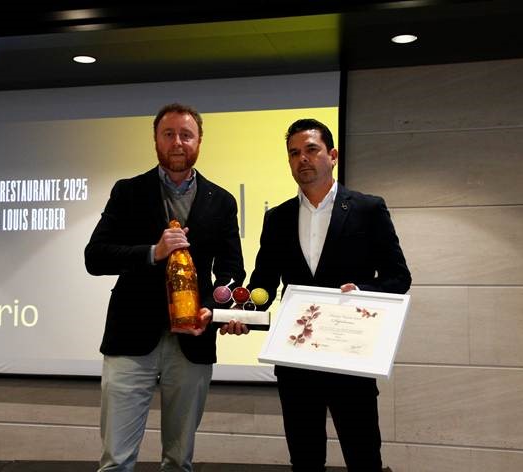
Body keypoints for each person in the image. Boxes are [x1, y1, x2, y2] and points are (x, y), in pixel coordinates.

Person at [85, 103, 248, 472]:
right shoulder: (128, 192)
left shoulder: (222, 201)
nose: (177, 142)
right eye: (169, 134)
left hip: (193, 342)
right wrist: (152, 252)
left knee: (179, 461)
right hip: (131, 339)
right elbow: (95, 257)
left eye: (186, 135)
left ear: (199, 141)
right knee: (116, 460)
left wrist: (214, 309)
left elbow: (231, 271)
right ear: (156, 140)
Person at [248, 118, 411, 472]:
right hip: (295, 362)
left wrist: (362, 292)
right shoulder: (277, 218)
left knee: (363, 459)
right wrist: (244, 311)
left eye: (311, 150)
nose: (302, 159)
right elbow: (263, 283)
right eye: (294, 153)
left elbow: (399, 278)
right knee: (304, 461)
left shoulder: (368, 209)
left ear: (333, 156)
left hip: (350, 358)